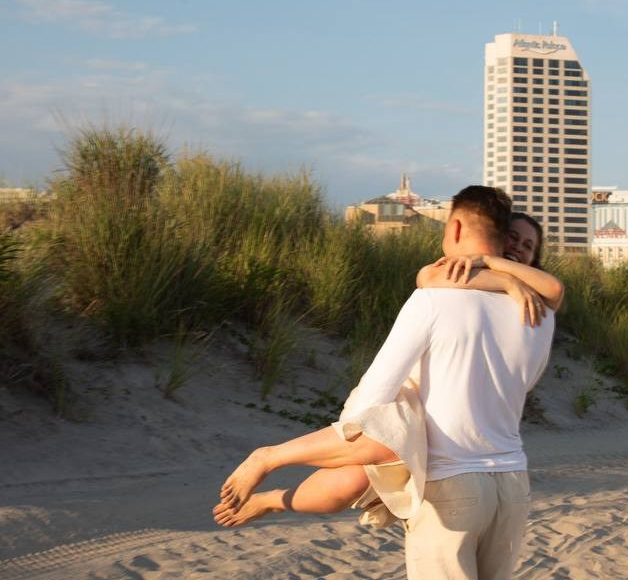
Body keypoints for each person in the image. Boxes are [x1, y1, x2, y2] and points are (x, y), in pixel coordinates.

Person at [216, 187, 555, 580]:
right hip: (512, 481)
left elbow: (368, 407)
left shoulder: (431, 301)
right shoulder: (536, 314)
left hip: (454, 488)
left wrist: (276, 455)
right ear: (503, 242)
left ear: (454, 229)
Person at [212, 210, 560, 528]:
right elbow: (427, 276)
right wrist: (499, 274)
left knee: (343, 488)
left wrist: (508, 279)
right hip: (409, 401)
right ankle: (266, 457)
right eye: (512, 238)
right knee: (383, 447)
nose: (518, 248)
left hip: (459, 438)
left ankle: (273, 501)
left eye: (528, 246)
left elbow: (554, 289)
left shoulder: (534, 304)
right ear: (492, 238)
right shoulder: (458, 272)